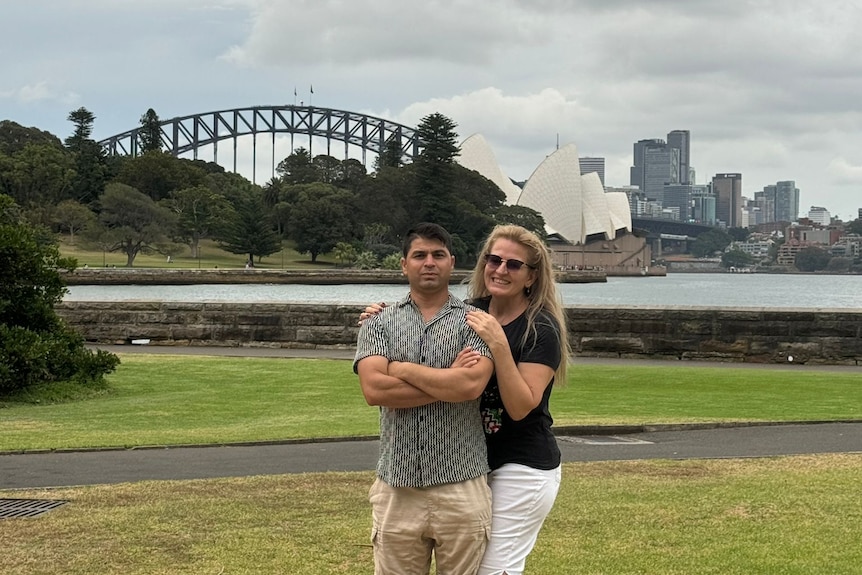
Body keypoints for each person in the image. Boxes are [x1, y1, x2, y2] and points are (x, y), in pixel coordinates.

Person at [361, 224, 569, 575]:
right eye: (495, 260)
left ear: (531, 277)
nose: (501, 269)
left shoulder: (539, 328)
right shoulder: (471, 314)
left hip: (522, 463)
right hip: (478, 459)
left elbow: (510, 403)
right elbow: (376, 389)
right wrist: (376, 319)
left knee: (493, 570)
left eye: (514, 265)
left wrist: (399, 368)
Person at [353, 222, 496, 575]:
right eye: (419, 255)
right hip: (397, 487)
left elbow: (469, 388)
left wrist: (399, 368)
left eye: (437, 255)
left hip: (461, 484)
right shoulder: (378, 323)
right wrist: (448, 377)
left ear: (452, 262)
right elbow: (375, 390)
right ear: (404, 264)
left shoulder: (476, 322)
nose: (428, 262)